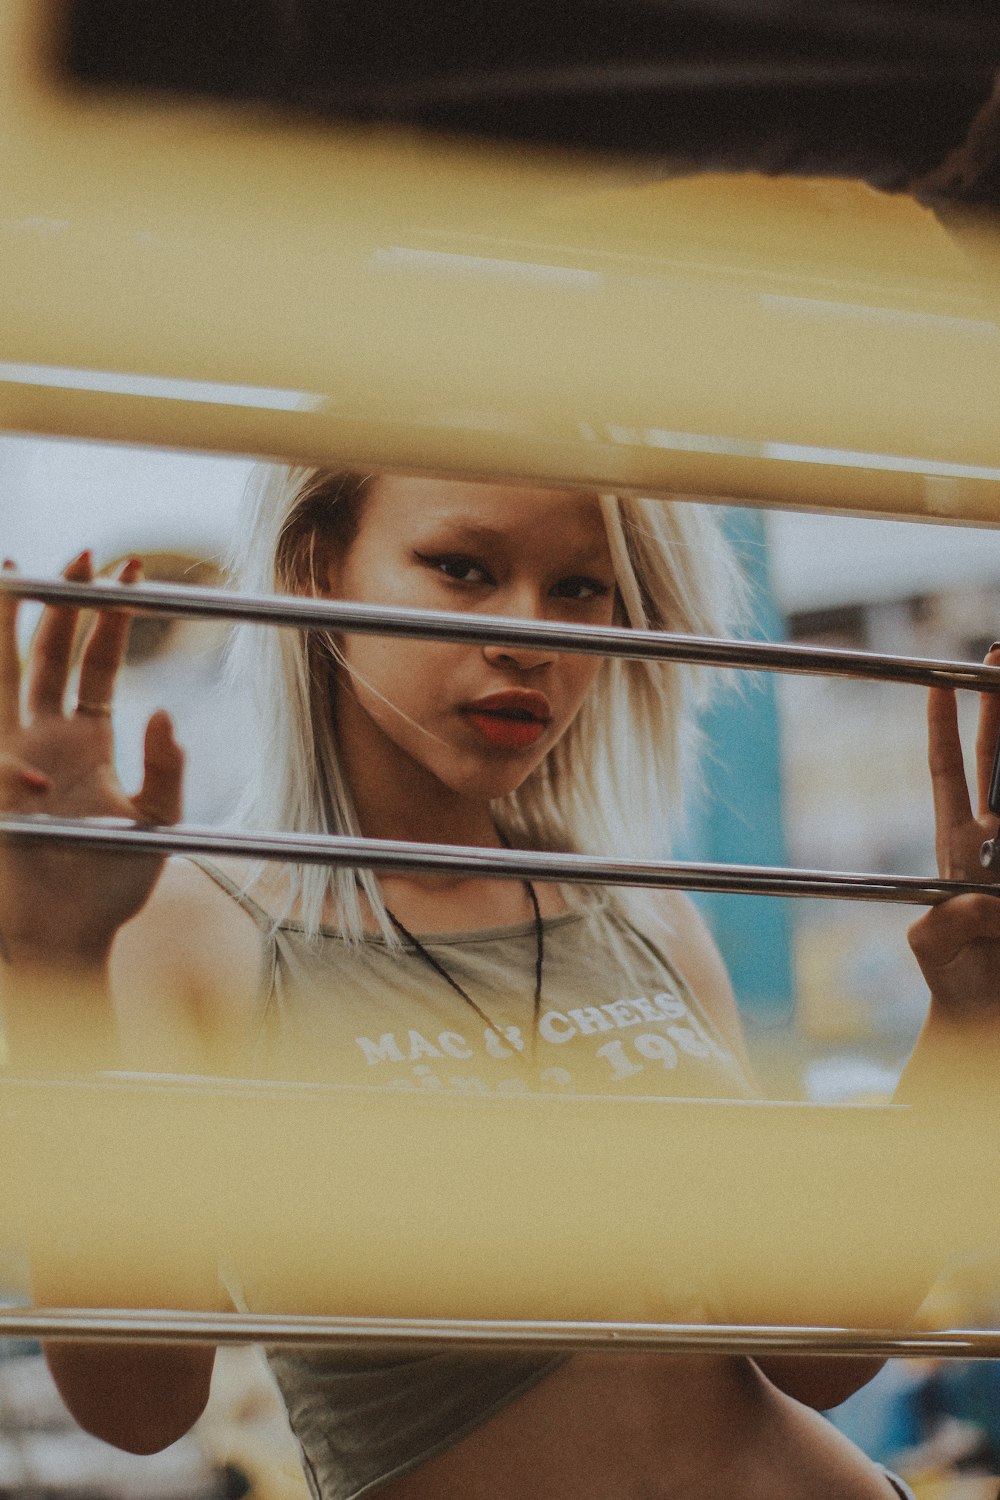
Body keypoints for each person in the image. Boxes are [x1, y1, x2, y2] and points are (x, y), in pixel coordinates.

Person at [0, 466, 996, 1500]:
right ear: (314, 570)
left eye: (578, 589)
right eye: (463, 568)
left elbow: (814, 1353)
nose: (533, 636)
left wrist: (965, 1029)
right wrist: (57, 965)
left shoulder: (644, 914)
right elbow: (138, 1409)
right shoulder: (193, 927)